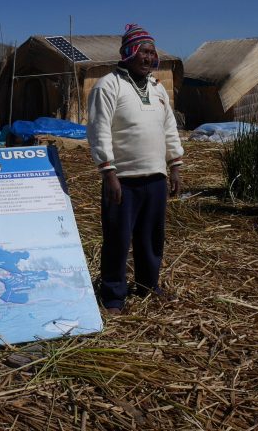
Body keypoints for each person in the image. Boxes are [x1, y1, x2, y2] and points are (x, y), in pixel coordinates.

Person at [86, 23, 184, 314]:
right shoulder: (108, 85)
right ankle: (113, 295)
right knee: (117, 238)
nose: (149, 57)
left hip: (155, 177)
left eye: (152, 52)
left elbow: (169, 129)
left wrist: (175, 165)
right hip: (123, 179)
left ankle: (147, 285)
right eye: (144, 51)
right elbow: (99, 130)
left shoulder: (157, 88)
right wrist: (108, 172)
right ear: (129, 52)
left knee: (152, 237)